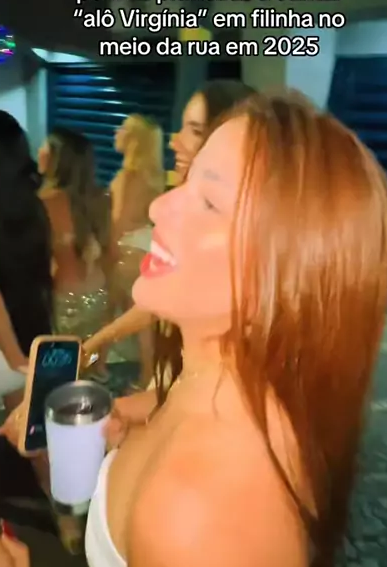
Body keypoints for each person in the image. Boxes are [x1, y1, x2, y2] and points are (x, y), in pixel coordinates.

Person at [0, 90, 387, 567]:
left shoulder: (201, 513)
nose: (162, 205)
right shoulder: (237, 383)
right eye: (186, 182)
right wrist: (128, 425)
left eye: (210, 201)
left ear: (287, 267)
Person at [82, 80, 255, 373]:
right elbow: (157, 300)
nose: (175, 142)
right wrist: (97, 342)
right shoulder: (186, 202)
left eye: (195, 131)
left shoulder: (234, 229)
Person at [0, 121, 52, 510]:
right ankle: (68, 517)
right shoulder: (26, 208)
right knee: (36, 437)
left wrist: (13, 359)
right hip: (25, 325)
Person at [37, 128, 115, 351]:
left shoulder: (44, 203)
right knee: (89, 356)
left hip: (64, 298)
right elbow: (109, 251)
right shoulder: (101, 198)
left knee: (64, 359)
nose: (39, 152)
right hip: (98, 292)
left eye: (45, 148)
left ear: (58, 160)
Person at [110, 113, 165, 386]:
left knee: (127, 317)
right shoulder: (154, 177)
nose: (116, 131)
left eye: (123, 128)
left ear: (134, 140)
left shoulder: (128, 177)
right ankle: (148, 376)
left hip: (128, 250)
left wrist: (106, 252)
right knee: (145, 322)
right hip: (147, 246)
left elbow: (118, 221)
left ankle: (141, 378)